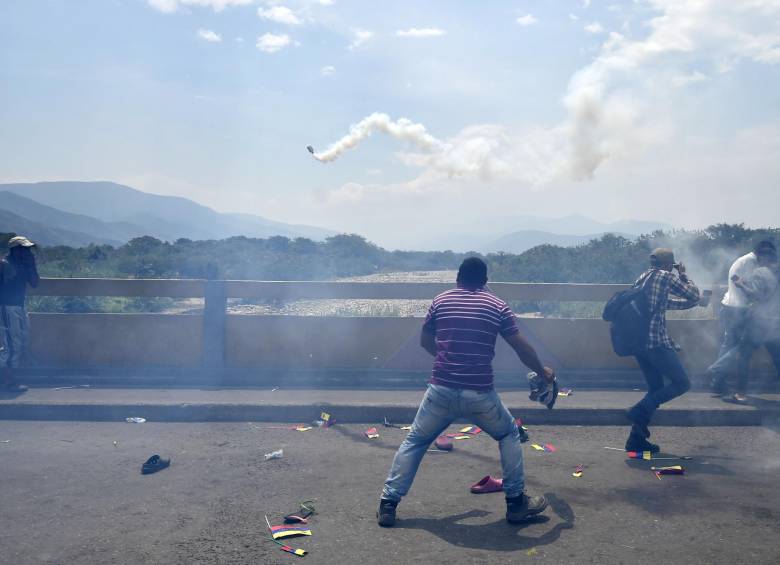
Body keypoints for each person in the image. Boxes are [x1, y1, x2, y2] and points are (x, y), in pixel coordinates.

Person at [377, 257, 555, 527]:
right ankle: (516, 503)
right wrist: (543, 372)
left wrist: (447, 359)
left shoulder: (440, 301)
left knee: (414, 442)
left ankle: (388, 505)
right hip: (479, 393)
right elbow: (522, 348)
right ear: (485, 281)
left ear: (458, 277)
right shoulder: (497, 305)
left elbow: (426, 341)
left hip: (440, 390)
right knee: (508, 434)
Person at [625, 248, 700, 453]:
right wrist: (683, 274)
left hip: (638, 345)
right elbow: (693, 293)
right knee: (682, 383)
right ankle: (640, 410)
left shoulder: (643, 277)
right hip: (655, 344)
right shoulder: (666, 276)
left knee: (656, 389)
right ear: (670, 264)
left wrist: (694, 303)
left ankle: (636, 438)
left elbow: (666, 303)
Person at [708, 249, 780, 403]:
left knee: (742, 352)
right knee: (774, 355)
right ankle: (719, 375)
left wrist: (741, 285)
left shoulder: (762, 271)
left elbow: (756, 294)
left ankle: (732, 387)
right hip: (766, 319)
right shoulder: (766, 269)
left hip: (760, 320)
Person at [0, 236, 40, 391]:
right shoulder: (5, 264)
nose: (28, 252)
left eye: (28, 249)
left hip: (19, 305)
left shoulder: (23, 264)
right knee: (11, 343)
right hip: (7, 307)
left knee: (22, 338)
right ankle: (8, 382)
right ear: (15, 250)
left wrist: (31, 265)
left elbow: (35, 283)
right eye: (25, 249)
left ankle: (9, 376)